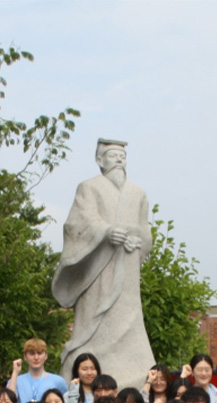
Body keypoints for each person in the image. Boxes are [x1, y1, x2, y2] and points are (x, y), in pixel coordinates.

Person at [52, 139, 155, 389]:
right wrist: (106, 232)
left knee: (129, 315)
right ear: (100, 160)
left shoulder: (138, 193)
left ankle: (135, 371)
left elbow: (145, 229)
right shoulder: (88, 188)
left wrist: (137, 240)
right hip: (97, 268)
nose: (119, 159)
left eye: (122, 155)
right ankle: (86, 369)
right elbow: (78, 222)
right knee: (94, 318)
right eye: (112, 155)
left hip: (128, 270)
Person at [8, 338, 68, 403]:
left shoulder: (58, 381)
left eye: (39, 353)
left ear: (46, 356)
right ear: (25, 356)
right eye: (32, 354)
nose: (36, 357)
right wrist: (15, 372)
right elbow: (9, 401)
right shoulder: (15, 380)